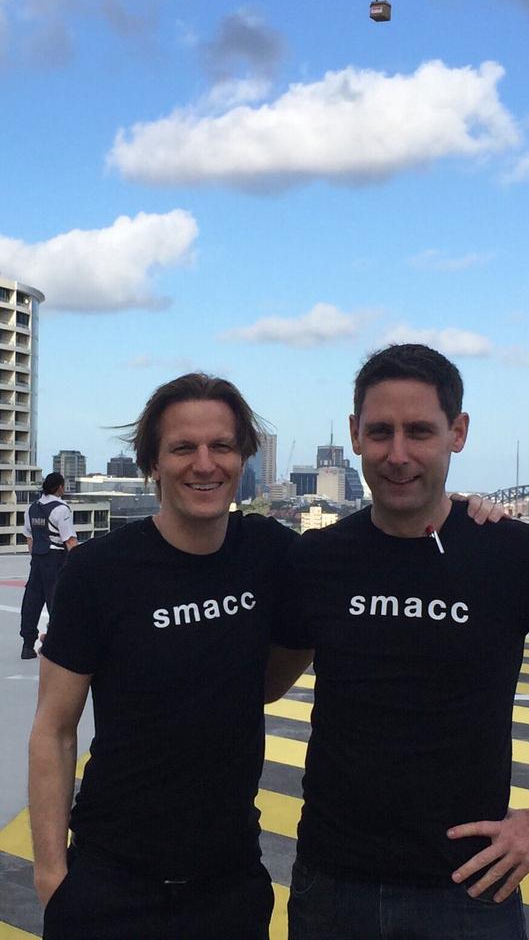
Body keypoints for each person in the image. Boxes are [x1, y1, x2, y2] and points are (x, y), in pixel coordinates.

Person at [280, 343, 529, 940]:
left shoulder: (512, 553)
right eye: (380, 432)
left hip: (468, 894)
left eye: (420, 432)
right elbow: (266, 680)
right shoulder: (316, 558)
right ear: (354, 435)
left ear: (458, 432)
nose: (397, 455)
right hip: (330, 886)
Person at [28, 374, 311, 940]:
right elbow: (54, 731)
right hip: (111, 883)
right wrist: (52, 873)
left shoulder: (272, 552)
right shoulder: (99, 574)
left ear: (242, 458)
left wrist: (466, 514)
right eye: (183, 448)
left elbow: (375, 548)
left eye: (221, 447)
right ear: (152, 464)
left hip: (229, 883)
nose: (204, 464)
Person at [20, 472, 78, 660]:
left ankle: (27, 645)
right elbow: (69, 540)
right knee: (57, 601)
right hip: (55, 558)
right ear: (59, 487)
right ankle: (56, 645)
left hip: (37, 558)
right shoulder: (62, 509)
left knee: (32, 601)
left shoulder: (32, 508)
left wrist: (35, 557)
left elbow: (29, 537)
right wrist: (78, 565)